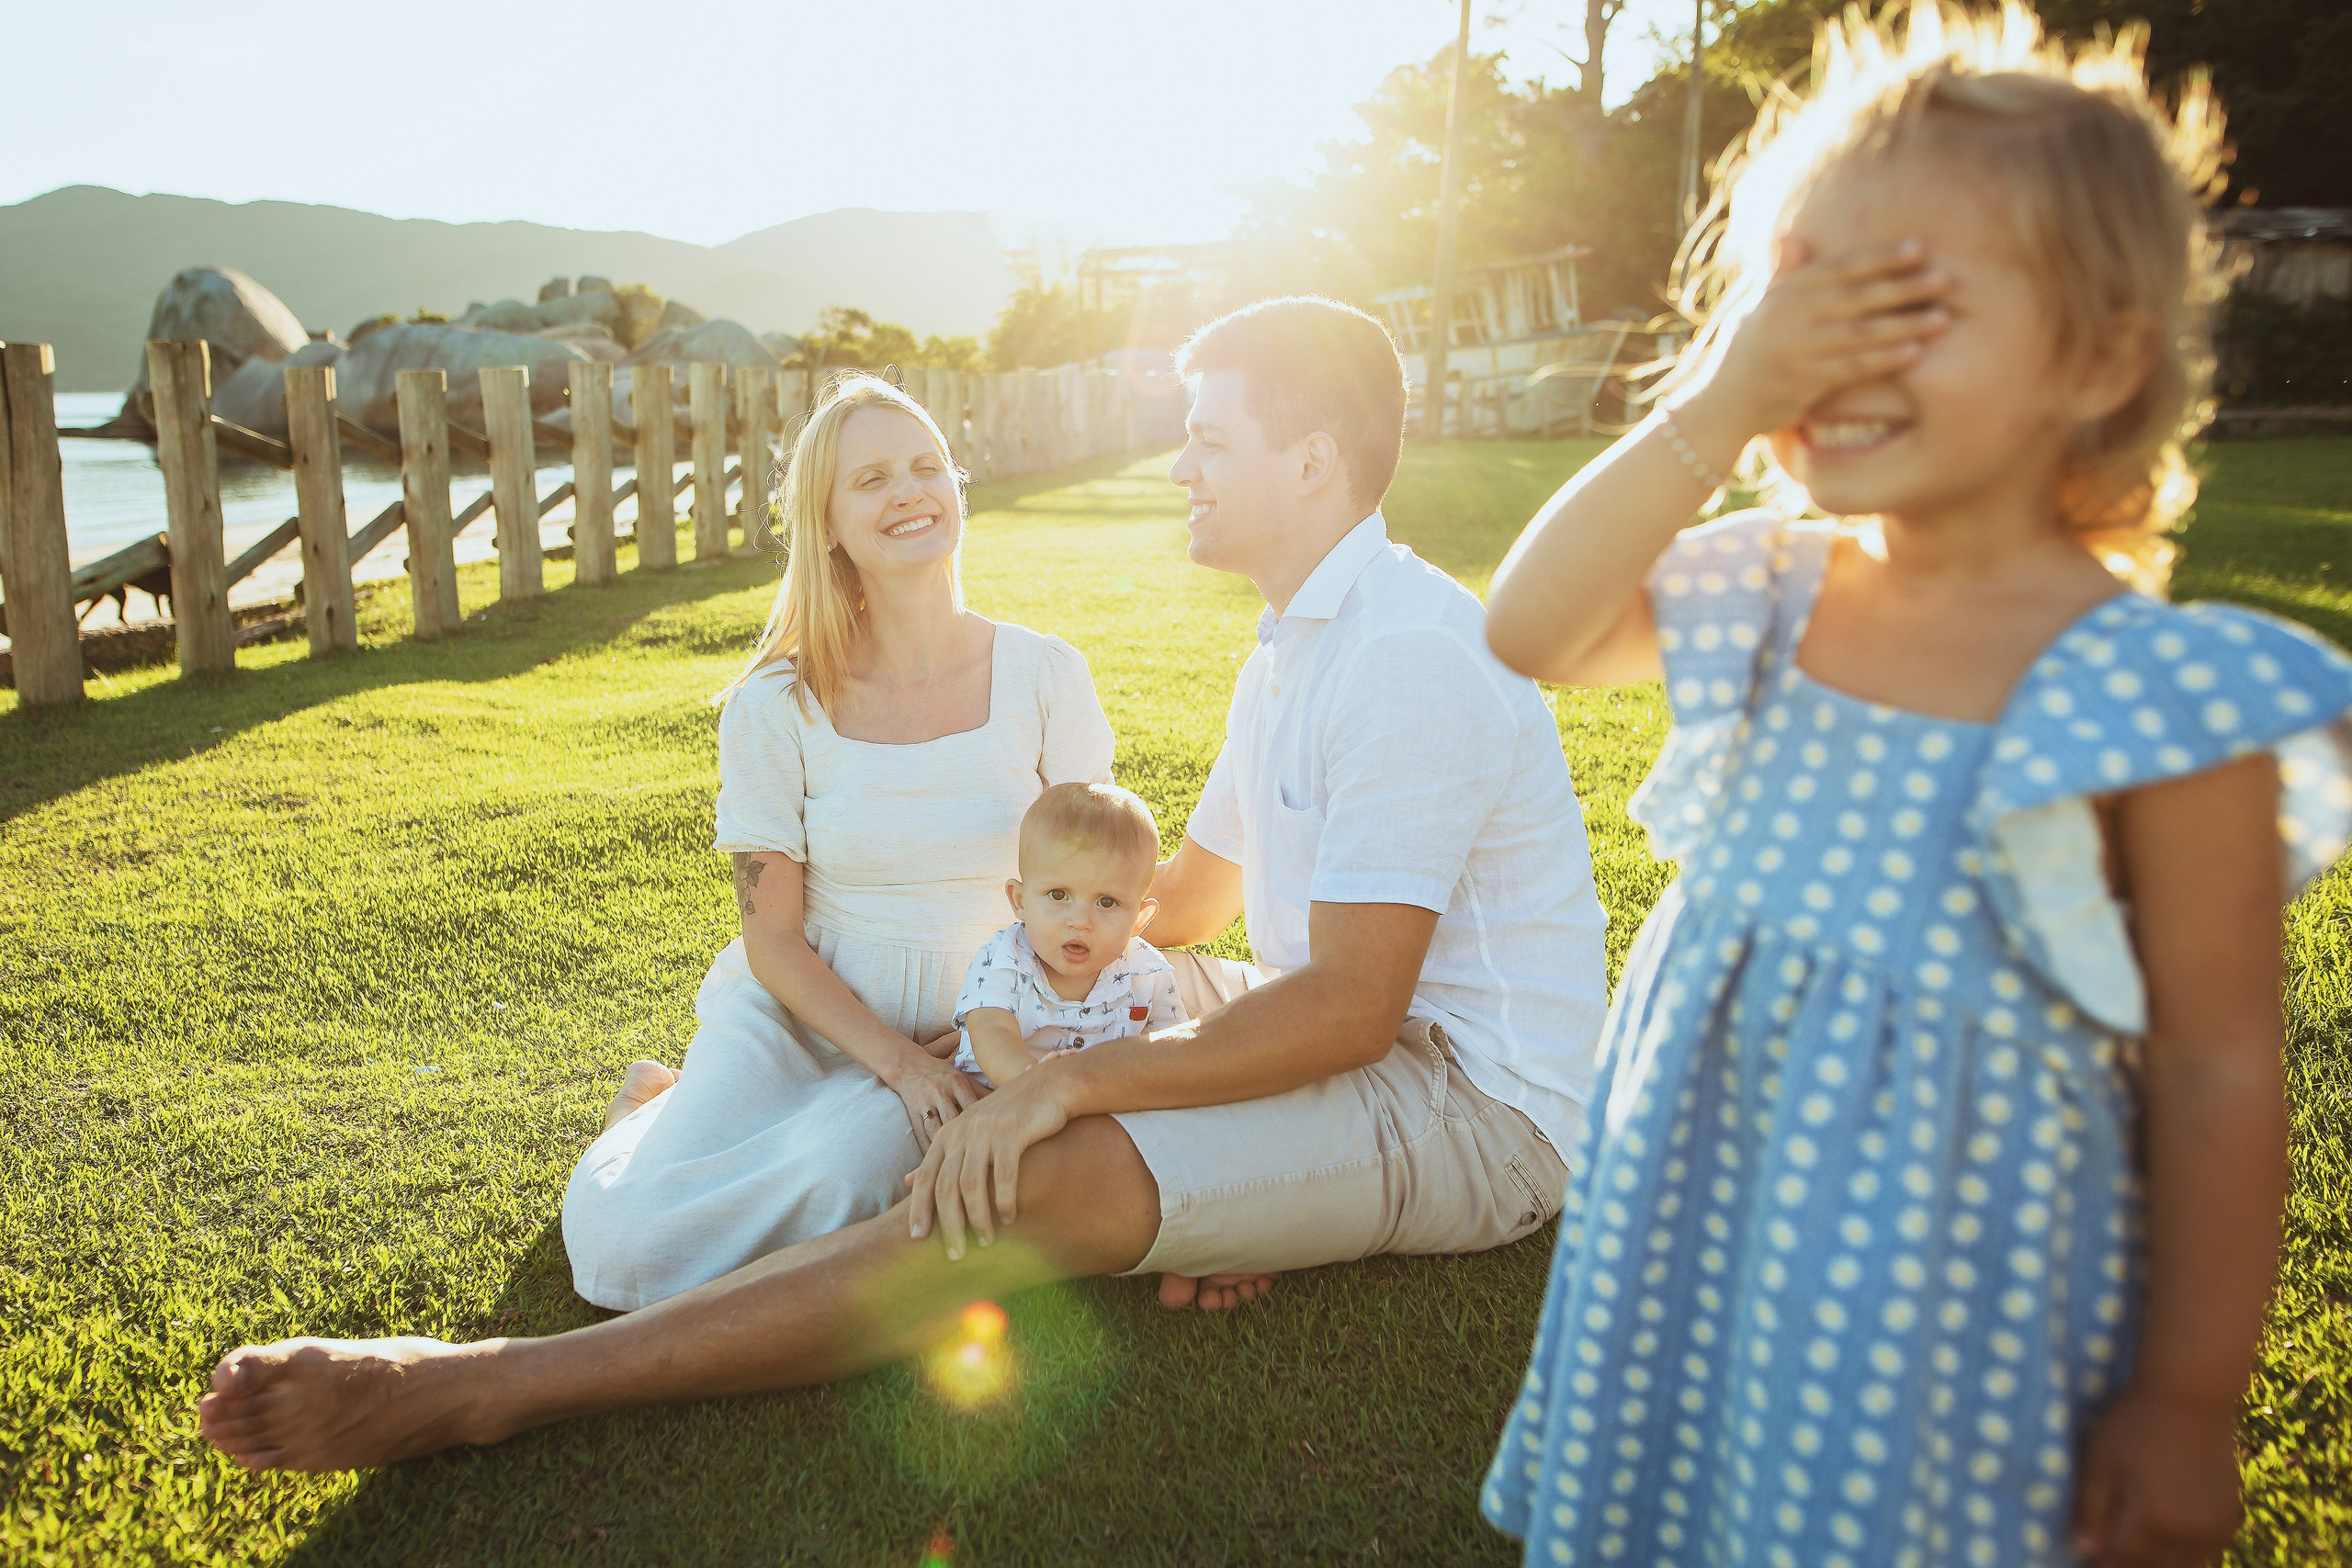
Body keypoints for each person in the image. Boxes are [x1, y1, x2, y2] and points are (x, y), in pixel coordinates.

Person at [195, 295, 1612, 1473]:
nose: (1179, 467)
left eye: (1206, 440)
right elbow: (1178, 911)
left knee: (1025, 1177)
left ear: (1310, 464)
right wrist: (1051, 1036)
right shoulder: (1291, 647)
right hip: (1328, 1029)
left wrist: (1073, 1089)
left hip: (1471, 1103)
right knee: (1048, 1085)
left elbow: (1356, 1013)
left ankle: (496, 1383)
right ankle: (1156, 1193)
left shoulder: (1407, 654)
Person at [1476, 7, 2352, 1566]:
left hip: (1948, 1323)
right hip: (1695, 1245)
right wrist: (1719, 396)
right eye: (1798, 301)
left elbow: (2220, 1071)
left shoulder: (2151, 699)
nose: (1825, 354)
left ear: (2096, 355)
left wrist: (2191, 1402)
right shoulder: (1761, 592)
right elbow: (1528, 625)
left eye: (1906, 305)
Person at [560, 370, 1116, 1312]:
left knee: (849, 1183)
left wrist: (1004, 1027)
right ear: (825, 521)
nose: (909, 493)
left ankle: (715, 1123)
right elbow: (770, 937)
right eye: (871, 480)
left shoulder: (1046, 674)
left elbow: (1094, 886)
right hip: (808, 1016)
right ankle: (649, 1112)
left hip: (978, 1026)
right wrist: (899, 1063)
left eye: (925, 467)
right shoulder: (773, 704)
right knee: (622, 1257)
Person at [951, 782, 1187, 1089]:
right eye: (1058, 895)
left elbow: (1173, 1048)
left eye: (1107, 902)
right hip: (996, 1102)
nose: (1080, 921)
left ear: (1138, 919)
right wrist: (1037, 1085)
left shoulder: (1147, 972)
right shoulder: (1003, 962)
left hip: (1101, 1110)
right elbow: (993, 1033)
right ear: (1020, 901)